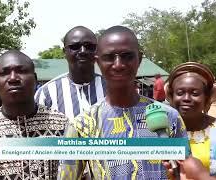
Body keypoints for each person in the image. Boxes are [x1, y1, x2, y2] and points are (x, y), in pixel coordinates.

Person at [58, 26, 187, 179]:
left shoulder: (168, 116)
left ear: (139, 59)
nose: (118, 64)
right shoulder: (83, 125)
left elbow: (186, 172)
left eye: (127, 56)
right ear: (97, 62)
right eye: (109, 57)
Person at [0, 50, 69, 179]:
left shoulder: (62, 125)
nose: (13, 78)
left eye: (21, 71)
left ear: (35, 79)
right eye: (4, 73)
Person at [164, 62, 216, 171]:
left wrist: (201, 175)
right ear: (171, 97)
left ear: (207, 98)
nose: (186, 98)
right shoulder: (159, 132)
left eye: (195, 93)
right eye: (180, 93)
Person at [35, 26, 106, 120]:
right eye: (75, 47)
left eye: (89, 46)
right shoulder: (46, 93)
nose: (83, 51)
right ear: (64, 52)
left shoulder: (113, 88)